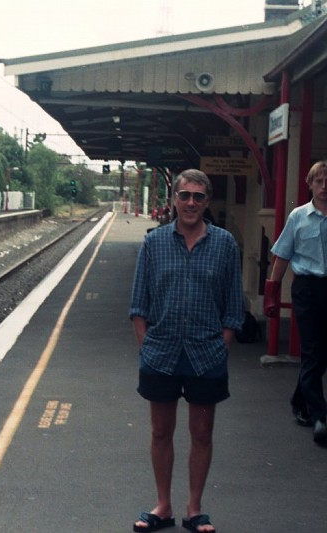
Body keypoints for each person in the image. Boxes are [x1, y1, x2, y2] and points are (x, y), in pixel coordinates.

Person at [129, 169, 244, 533]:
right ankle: (163, 506)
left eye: (198, 196)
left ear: (207, 201)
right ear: (174, 199)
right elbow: (139, 303)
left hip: (206, 355)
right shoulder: (154, 243)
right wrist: (146, 347)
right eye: (185, 195)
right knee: (161, 431)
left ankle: (194, 509)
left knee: (202, 433)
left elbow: (233, 307)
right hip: (160, 353)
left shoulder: (225, 244)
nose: (191, 202)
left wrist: (222, 346)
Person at [264, 160, 327, 446]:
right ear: (310, 184)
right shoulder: (298, 216)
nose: (324, 187)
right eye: (319, 181)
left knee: (322, 354)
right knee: (312, 351)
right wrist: (272, 292)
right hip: (307, 289)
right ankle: (320, 416)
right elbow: (282, 255)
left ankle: (300, 399)